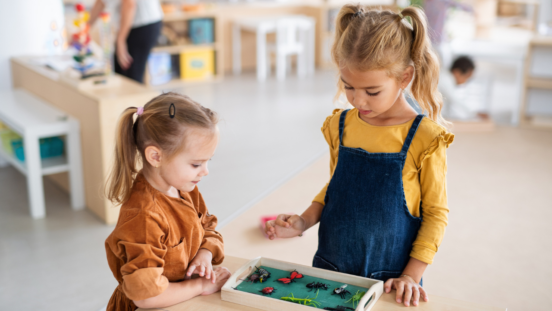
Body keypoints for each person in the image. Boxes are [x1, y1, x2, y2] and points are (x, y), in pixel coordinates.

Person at [265, 5, 454, 308]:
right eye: (348, 86)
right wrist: (304, 220)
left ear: (404, 77)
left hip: (394, 278)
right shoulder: (341, 125)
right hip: (331, 265)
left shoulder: (425, 137)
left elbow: (435, 214)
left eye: (372, 90)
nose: (357, 100)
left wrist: (412, 275)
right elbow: (337, 187)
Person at [104, 92, 230, 311]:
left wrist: (204, 254)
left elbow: (208, 227)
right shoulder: (144, 216)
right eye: (196, 164)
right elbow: (146, 297)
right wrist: (200, 285)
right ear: (155, 157)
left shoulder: (184, 187)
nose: (205, 171)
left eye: (208, 161)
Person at [89, 0, 163, 83]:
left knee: (131, 77)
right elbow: (101, 2)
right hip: (130, 25)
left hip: (142, 25)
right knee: (119, 72)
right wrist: (85, 29)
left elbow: (129, 3)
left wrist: (121, 40)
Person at [440, 56, 489, 120]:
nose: (465, 82)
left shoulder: (445, 77)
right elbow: (455, 100)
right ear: (457, 72)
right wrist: (476, 113)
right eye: (466, 77)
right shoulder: (445, 79)